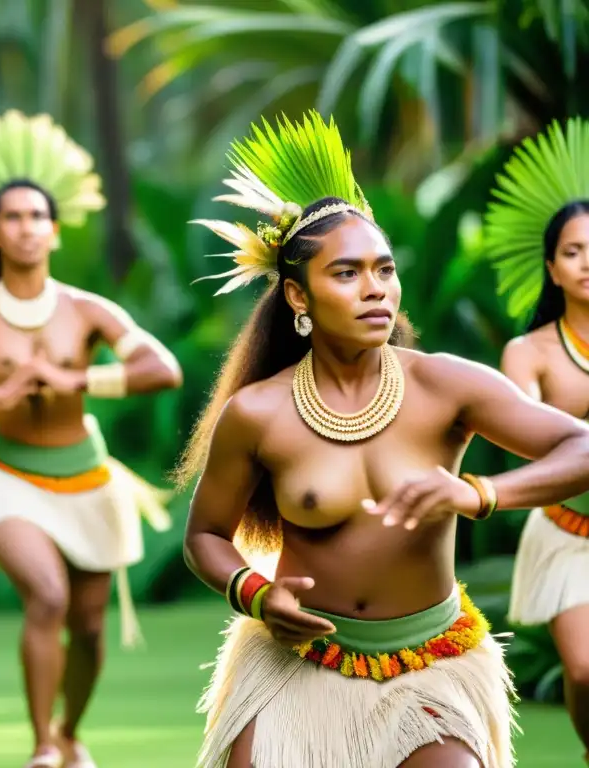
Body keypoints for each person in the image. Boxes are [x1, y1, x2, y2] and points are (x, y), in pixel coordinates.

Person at [174, 110, 589, 768]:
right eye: (346, 274)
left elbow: (582, 449)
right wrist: (255, 594)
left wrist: (476, 492)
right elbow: (205, 536)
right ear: (297, 296)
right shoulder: (258, 412)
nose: (376, 290)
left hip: (430, 661)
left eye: (385, 269)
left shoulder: (444, 385)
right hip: (296, 663)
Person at [0, 110, 183, 768]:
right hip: (5, 477)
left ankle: (70, 731)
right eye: (13, 218)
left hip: (85, 477)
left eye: (37, 217)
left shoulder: (86, 309)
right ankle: (39, 748)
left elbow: (159, 369)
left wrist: (71, 376)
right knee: (48, 597)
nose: (26, 228)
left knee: (87, 624)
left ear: (55, 229)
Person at [484, 116, 589, 765]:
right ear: (552, 267)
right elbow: (524, 437)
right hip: (567, 532)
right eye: (574, 252)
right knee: (583, 673)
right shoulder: (529, 352)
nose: (588, 264)